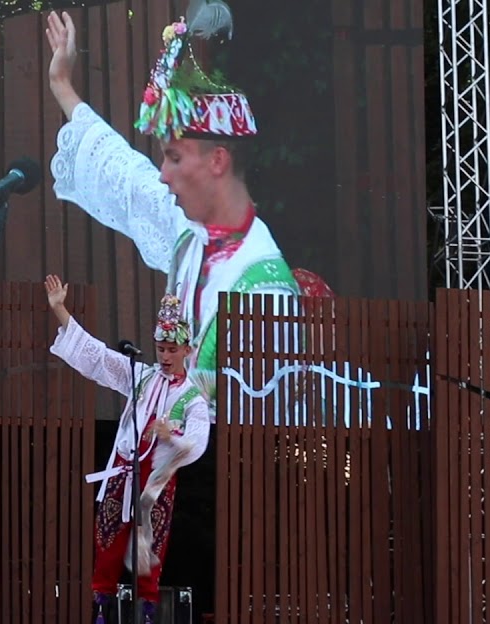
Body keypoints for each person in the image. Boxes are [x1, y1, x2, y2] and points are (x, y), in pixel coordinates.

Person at [45, 3, 301, 413]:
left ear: (218, 161)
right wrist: (61, 83)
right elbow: (127, 175)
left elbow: (260, 420)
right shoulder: (192, 233)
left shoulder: (265, 289)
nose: (163, 175)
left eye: (175, 158)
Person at [46, 274, 210, 624]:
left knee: (147, 563)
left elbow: (197, 441)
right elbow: (98, 357)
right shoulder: (142, 376)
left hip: (155, 487)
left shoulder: (192, 399)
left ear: (187, 350)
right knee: (106, 557)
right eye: (161, 348)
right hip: (122, 478)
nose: (165, 355)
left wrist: (172, 435)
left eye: (172, 349)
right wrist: (60, 309)